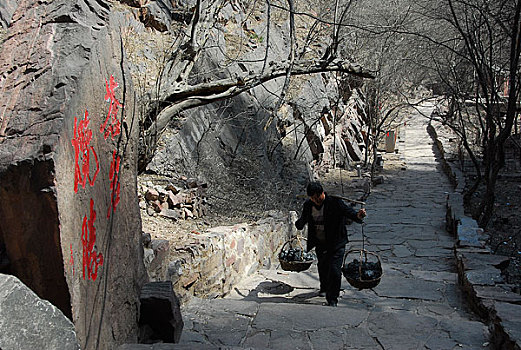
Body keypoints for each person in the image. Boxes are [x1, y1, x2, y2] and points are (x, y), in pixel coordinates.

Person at [295, 181, 366, 307]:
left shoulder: (335, 203)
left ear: (323, 193)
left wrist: (358, 215)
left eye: (317, 197)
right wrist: (298, 224)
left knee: (334, 270)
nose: (316, 200)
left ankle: (332, 298)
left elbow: (349, 212)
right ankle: (324, 288)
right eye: (312, 198)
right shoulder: (308, 205)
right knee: (323, 266)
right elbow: (304, 219)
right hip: (320, 242)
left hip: (336, 242)